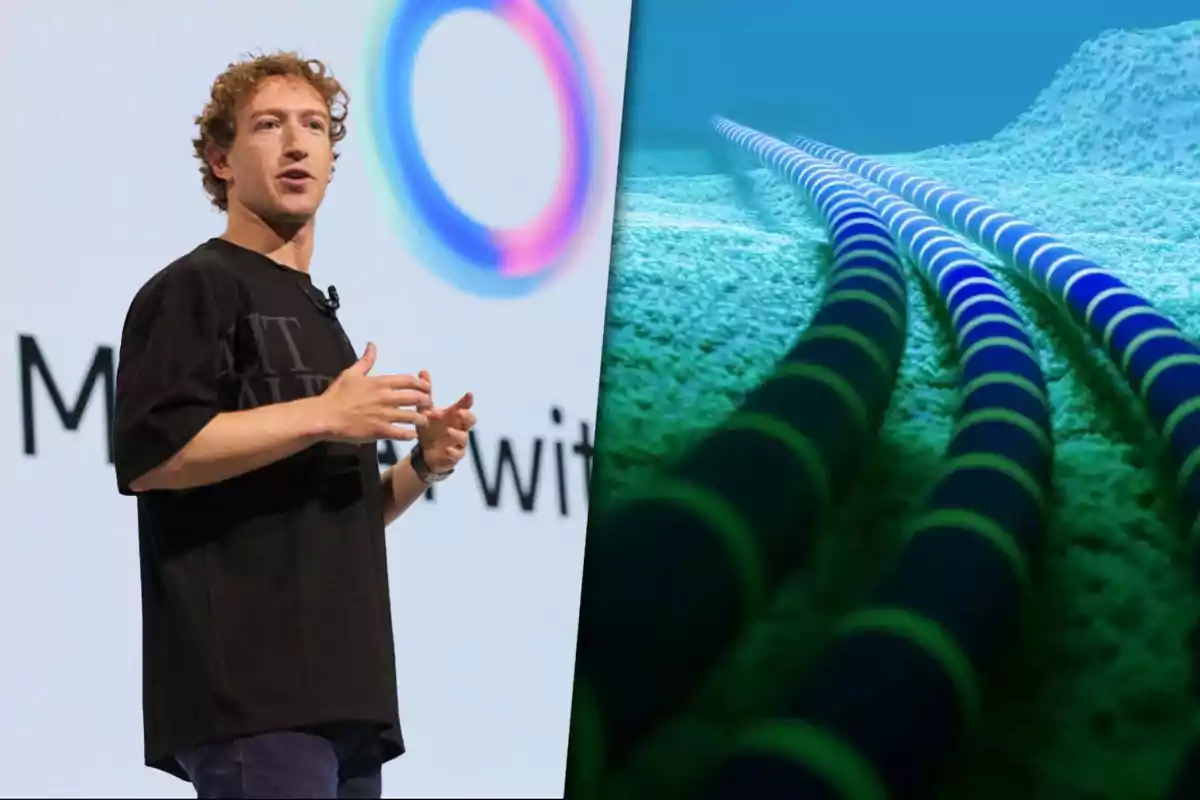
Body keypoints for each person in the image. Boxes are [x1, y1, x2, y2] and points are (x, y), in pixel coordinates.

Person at [111, 51, 477, 799]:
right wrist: (322, 414)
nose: (297, 143)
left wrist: (424, 468)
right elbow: (153, 453)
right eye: (269, 126)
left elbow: (339, 514)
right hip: (254, 694)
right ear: (220, 160)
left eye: (313, 127)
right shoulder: (195, 288)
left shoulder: (319, 314)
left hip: (344, 699)